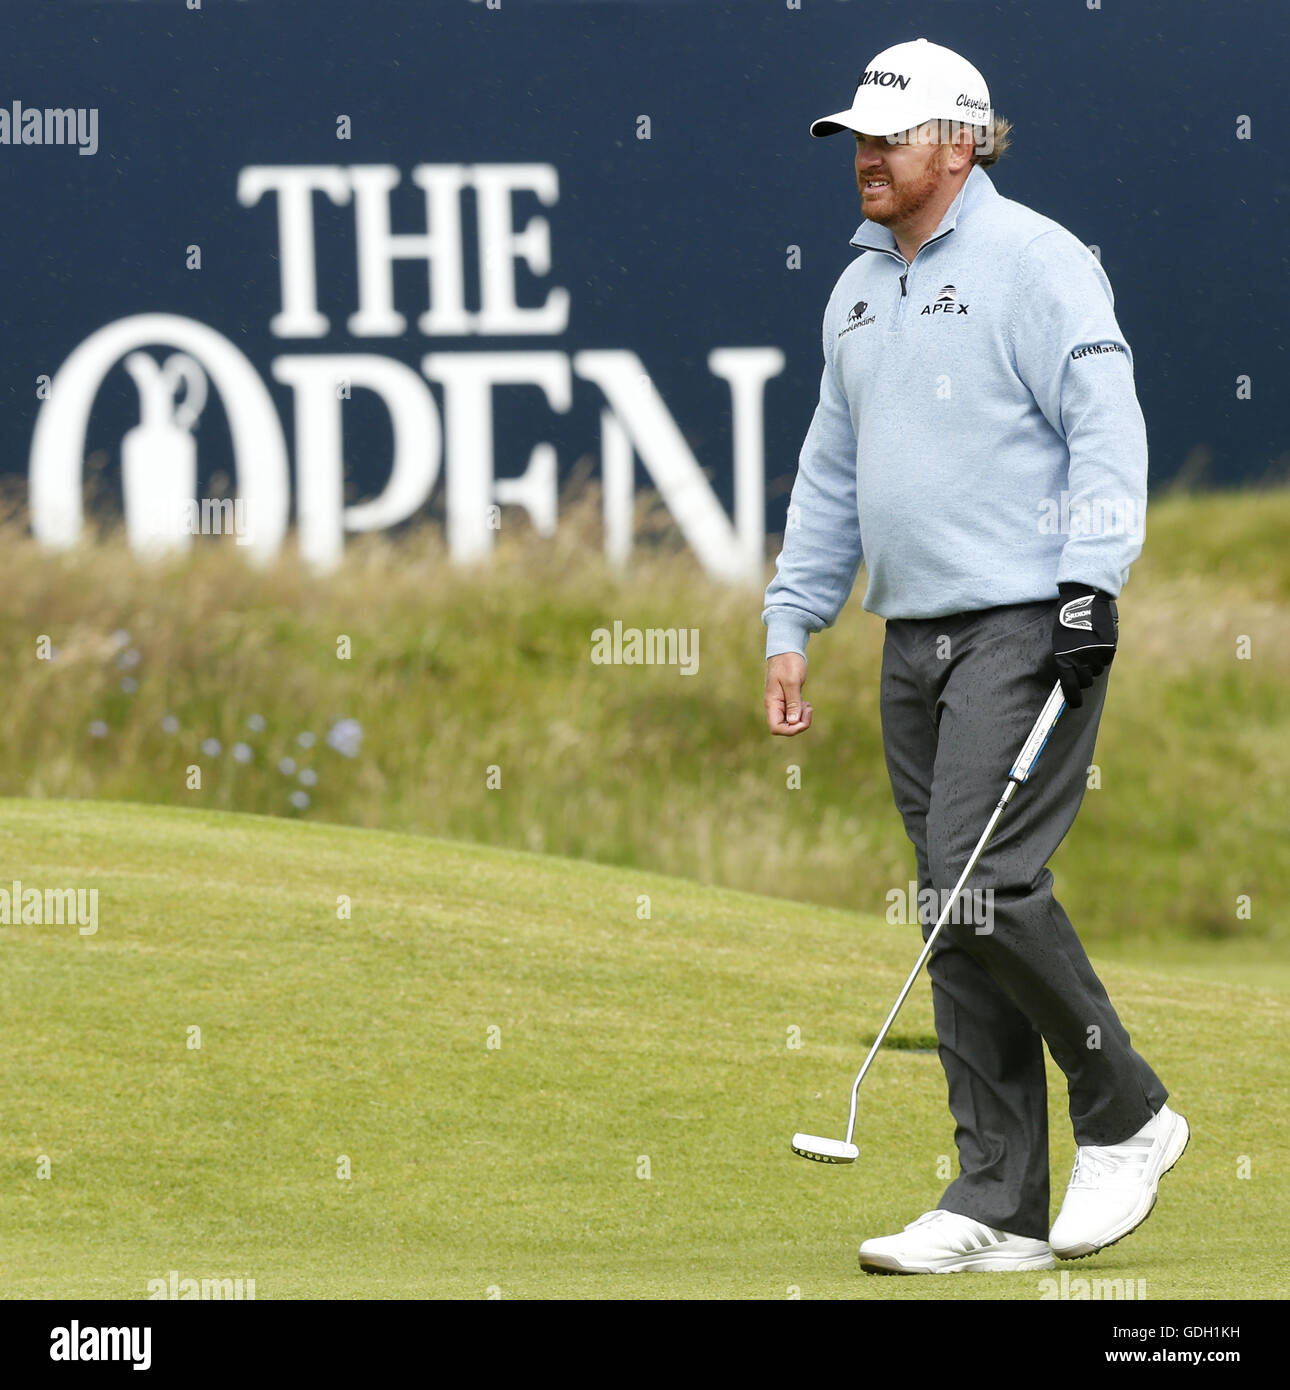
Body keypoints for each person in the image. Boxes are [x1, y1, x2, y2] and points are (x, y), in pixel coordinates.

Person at [762, 37, 1188, 1274]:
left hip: (1025, 619)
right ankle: (997, 1196)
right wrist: (795, 618)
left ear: (959, 142)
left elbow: (1107, 426)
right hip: (912, 634)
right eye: (856, 140)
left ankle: (1129, 1109)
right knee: (952, 913)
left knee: (975, 872)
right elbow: (832, 470)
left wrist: (1091, 584)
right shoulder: (852, 287)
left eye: (888, 139)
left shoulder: (1038, 262)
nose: (866, 159)